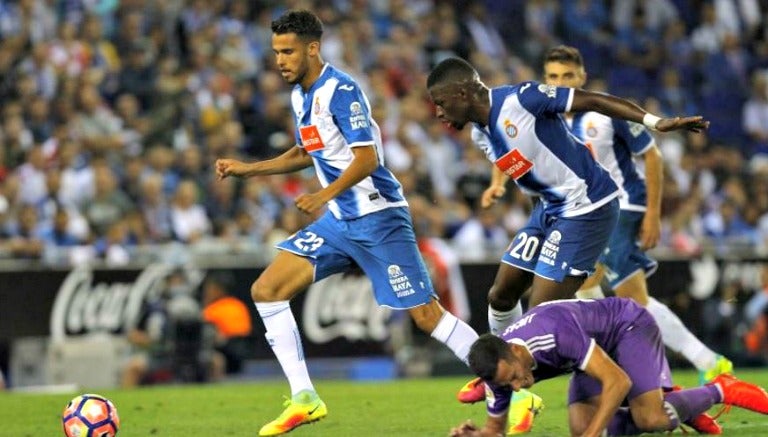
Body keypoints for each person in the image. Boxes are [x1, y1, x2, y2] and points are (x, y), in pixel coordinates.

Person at [215, 11, 479, 437]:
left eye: (288, 51)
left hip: (378, 218)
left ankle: (507, 380)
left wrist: (323, 194)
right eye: (276, 52)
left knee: (426, 316)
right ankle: (305, 398)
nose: (280, 60)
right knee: (267, 289)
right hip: (340, 221)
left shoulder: (342, 90)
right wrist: (250, 169)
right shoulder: (301, 96)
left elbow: (367, 158)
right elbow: (307, 151)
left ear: (312, 48)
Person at [426, 56, 708, 434]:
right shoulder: (480, 133)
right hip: (549, 211)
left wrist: (655, 123)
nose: (439, 113)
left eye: (442, 103)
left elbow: (592, 100)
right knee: (501, 295)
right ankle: (506, 374)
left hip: (588, 207)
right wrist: (543, 237)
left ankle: (519, 393)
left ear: (462, 92)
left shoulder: (521, 100)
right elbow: (530, 176)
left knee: (541, 314)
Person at [539, 45, 733, 385]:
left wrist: (652, 215)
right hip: (585, 213)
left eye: (568, 75)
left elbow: (652, 155)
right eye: (554, 77)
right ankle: (700, 361)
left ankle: (651, 376)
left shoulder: (604, 112)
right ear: (545, 80)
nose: (562, 82)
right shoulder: (545, 119)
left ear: (582, 77)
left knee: (610, 294)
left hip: (623, 205)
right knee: (597, 291)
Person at [450, 298, 768, 437]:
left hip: (627, 327)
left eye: (516, 377)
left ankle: (720, 389)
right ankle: (679, 406)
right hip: (591, 355)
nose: (520, 387)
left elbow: (617, 381)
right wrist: (478, 434)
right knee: (584, 428)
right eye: (509, 386)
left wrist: (591, 434)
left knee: (650, 418)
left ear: (517, 351)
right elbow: (496, 430)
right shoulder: (498, 371)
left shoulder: (554, 334)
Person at [201, 271, 253, 374]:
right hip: (244, 351)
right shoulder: (239, 305)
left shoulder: (213, 309)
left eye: (210, 288)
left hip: (227, 353)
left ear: (219, 290)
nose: (207, 292)